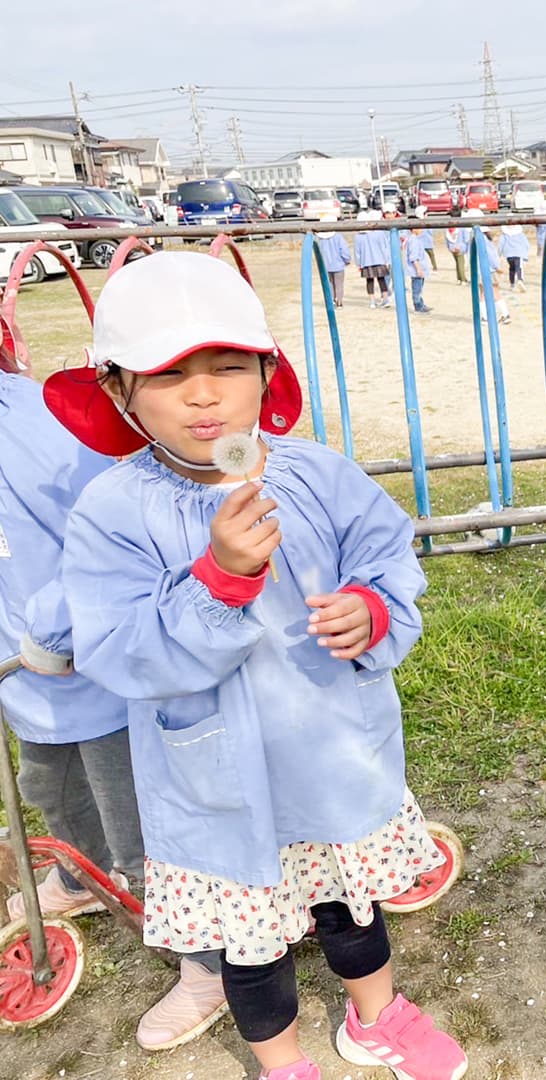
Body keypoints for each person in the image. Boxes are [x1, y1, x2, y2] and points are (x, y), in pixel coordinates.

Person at [44, 252, 468, 1080]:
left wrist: (372, 608)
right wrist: (219, 580)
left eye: (227, 367)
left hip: (331, 754)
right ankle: (281, 1062)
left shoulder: (319, 474)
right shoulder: (113, 510)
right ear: (118, 391)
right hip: (218, 788)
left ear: (266, 373)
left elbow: (390, 560)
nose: (204, 394)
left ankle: (376, 1017)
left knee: (353, 906)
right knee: (252, 948)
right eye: (169, 375)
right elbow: (119, 646)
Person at [1, 366, 228, 1052]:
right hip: (24, 678)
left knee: (146, 832)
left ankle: (209, 965)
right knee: (50, 788)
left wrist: (62, 630)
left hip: (92, 673)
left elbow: (109, 543)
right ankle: (78, 871)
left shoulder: (41, 424)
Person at [353, 210, 393, 309]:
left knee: (369, 281)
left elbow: (357, 252)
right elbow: (385, 247)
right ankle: (385, 299)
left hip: (366, 262)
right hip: (380, 260)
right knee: (382, 280)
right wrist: (387, 260)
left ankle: (372, 301)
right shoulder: (379, 233)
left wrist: (358, 264)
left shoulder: (358, 236)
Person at [314, 214, 352, 307]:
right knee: (339, 284)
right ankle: (339, 301)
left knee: (329, 284)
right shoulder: (338, 237)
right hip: (338, 265)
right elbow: (344, 250)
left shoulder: (320, 239)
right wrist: (347, 260)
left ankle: (331, 300)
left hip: (325, 265)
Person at [406, 225, 434, 314]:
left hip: (420, 267)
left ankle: (421, 304)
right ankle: (418, 306)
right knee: (417, 289)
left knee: (419, 288)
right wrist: (418, 269)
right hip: (417, 269)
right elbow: (413, 257)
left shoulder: (416, 239)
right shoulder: (413, 240)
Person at [498, 224, 530, 292]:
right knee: (519, 267)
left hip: (508, 254)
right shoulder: (520, 234)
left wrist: (499, 254)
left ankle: (512, 284)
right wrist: (526, 253)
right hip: (518, 253)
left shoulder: (504, 235)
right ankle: (520, 279)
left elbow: (501, 244)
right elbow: (526, 244)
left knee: (511, 269)